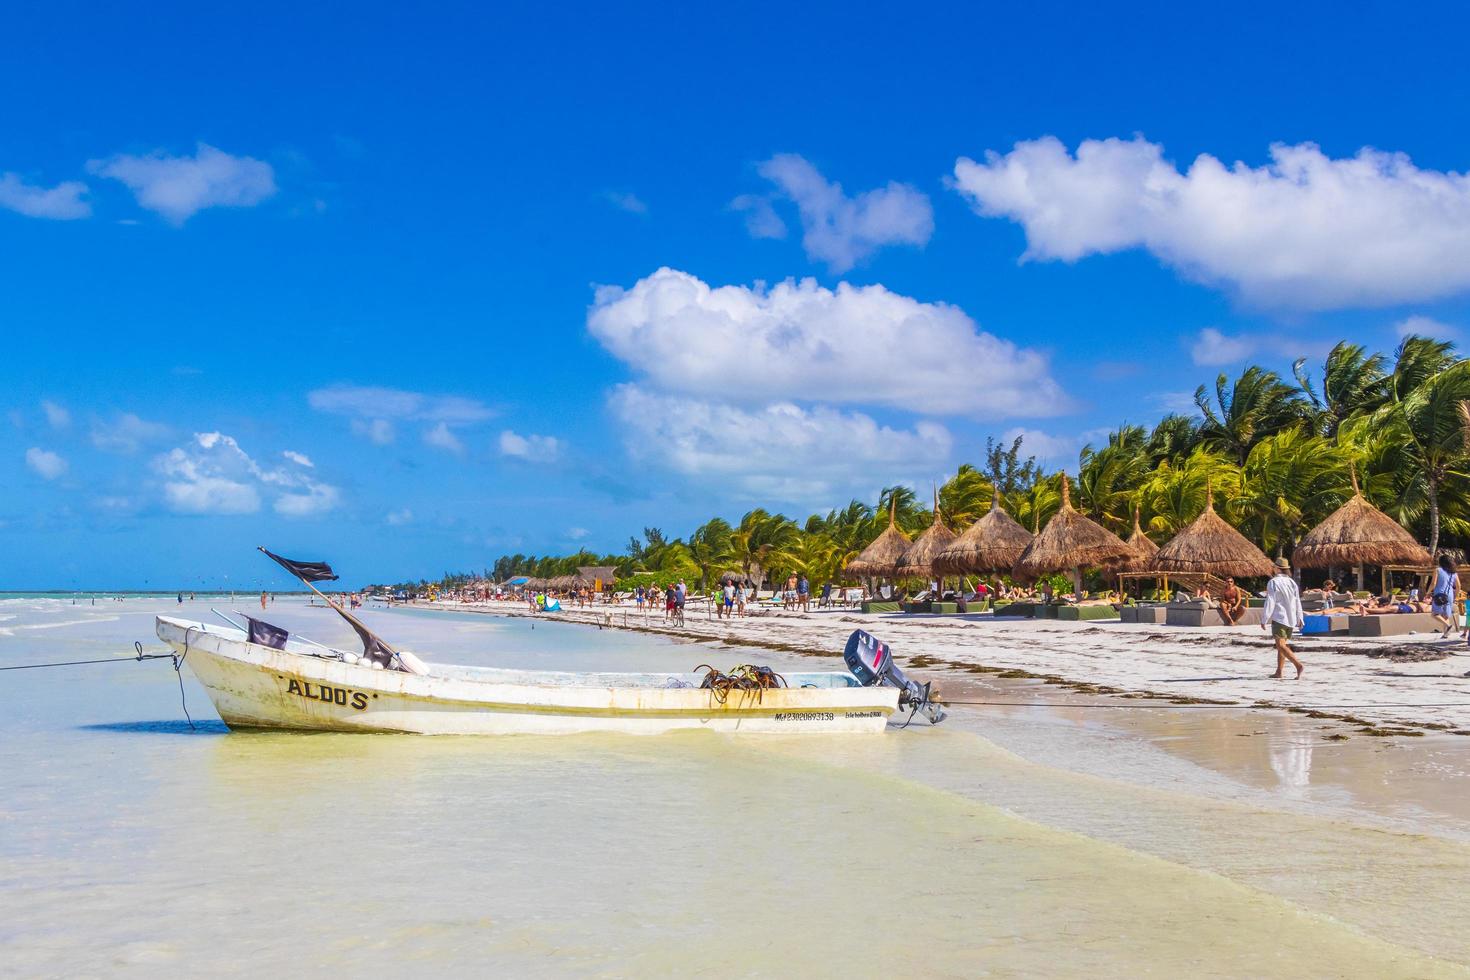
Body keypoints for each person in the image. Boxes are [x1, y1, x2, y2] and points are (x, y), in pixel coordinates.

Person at [1261, 557, 1305, 679]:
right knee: (1282, 645)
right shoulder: (1292, 583)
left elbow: (1270, 601)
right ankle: (1279, 671)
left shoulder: (1273, 582)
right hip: (1290, 618)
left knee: (1280, 645)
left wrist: (1264, 619)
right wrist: (1300, 617)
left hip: (1280, 617)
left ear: (1278, 568)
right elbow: (1297, 601)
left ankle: (1298, 665)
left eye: (1274, 567)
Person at [1431, 554, 1457, 638]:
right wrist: (1455, 595)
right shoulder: (1453, 573)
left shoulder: (1438, 570)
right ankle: (1446, 634)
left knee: (1434, 614)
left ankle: (1449, 626)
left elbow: (1433, 583)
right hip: (1450, 595)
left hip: (1439, 594)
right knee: (1445, 615)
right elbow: (1458, 586)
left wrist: (1428, 592)